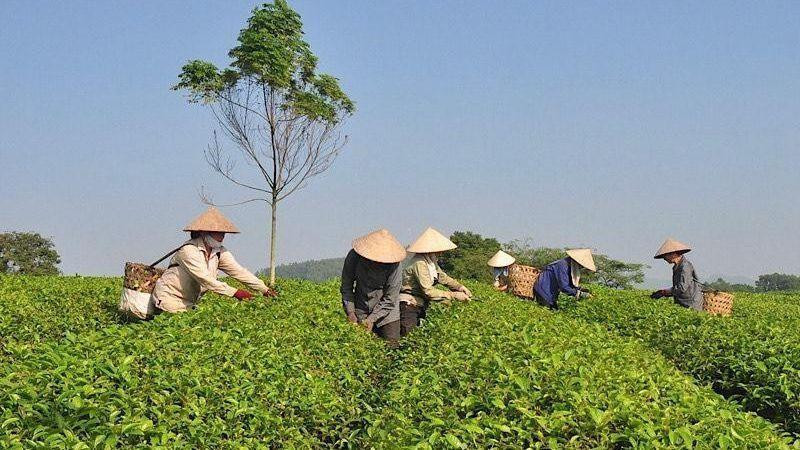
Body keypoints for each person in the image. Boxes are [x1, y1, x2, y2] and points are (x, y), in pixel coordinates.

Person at [152, 207, 275, 313]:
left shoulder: (219, 252)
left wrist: (264, 289)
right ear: (205, 232)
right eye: (218, 232)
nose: (222, 236)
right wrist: (236, 292)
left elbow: (239, 272)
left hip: (189, 302)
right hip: (169, 299)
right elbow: (205, 279)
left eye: (223, 233)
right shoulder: (189, 251)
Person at [399, 227, 472, 336]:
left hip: (420, 304)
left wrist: (460, 287)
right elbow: (428, 291)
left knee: (417, 337)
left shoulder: (430, 262)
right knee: (409, 339)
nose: (441, 252)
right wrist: (454, 295)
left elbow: (442, 277)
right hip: (409, 305)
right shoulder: (419, 263)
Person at [340, 229, 407, 346]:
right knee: (360, 347)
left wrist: (372, 319)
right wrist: (350, 312)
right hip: (361, 308)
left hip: (388, 313)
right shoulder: (354, 257)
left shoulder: (394, 265)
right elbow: (346, 286)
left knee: (391, 347)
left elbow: (390, 298)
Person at [650, 238, 704, 311]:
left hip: (691, 302)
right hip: (682, 301)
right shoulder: (677, 266)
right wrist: (664, 293)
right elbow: (678, 287)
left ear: (673, 254)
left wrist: (664, 292)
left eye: (665, 256)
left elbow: (682, 288)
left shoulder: (685, 266)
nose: (664, 259)